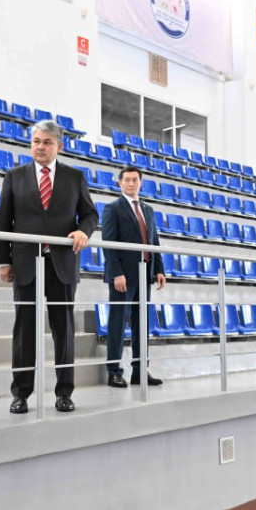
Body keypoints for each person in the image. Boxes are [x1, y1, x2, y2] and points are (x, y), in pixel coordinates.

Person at [0, 120, 98, 414]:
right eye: (36, 141)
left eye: (47, 142)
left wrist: (83, 231)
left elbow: (90, 214)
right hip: (25, 262)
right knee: (24, 330)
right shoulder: (14, 176)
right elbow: (4, 220)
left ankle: (64, 393)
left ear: (59, 146)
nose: (40, 147)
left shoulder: (75, 177)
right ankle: (20, 393)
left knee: (63, 330)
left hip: (62, 262)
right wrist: (3, 260)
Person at [100, 165, 166, 388]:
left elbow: (154, 241)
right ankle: (114, 372)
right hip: (123, 277)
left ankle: (139, 372)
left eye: (134, 179)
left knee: (141, 325)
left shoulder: (148, 210)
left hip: (144, 273)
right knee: (118, 324)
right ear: (119, 183)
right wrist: (116, 273)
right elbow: (108, 244)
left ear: (140, 183)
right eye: (126, 180)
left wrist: (159, 269)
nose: (130, 183)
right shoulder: (112, 208)